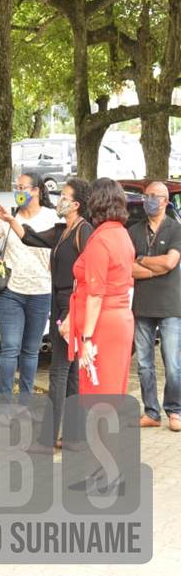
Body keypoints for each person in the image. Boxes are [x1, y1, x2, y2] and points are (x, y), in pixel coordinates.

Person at [14, 178, 93, 451]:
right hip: (59, 301)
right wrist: (10, 220)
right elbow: (31, 238)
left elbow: (88, 275)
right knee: (69, 373)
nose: (60, 200)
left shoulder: (84, 231)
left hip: (71, 303)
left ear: (76, 204)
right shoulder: (63, 230)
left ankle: (48, 438)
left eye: (65, 196)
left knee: (59, 371)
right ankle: (73, 436)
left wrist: (73, 313)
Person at [61, 179, 135, 397]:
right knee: (112, 390)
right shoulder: (122, 234)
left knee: (97, 391)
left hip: (102, 322)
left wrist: (87, 338)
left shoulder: (101, 239)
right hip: (120, 319)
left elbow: (96, 294)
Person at [0, 174, 55, 396]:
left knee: (31, 350)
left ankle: (26, 400)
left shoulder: (51, 217)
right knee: (9, 348)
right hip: (11, 292)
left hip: (40, 292)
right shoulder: (9, 216)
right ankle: (4, 402)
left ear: (36, 190)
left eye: (23, 187)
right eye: (16, 187)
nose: (18, 192)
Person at [128, 181, 181, 430]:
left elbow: (171, 263)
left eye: (153, 196)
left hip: (171, 305)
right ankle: (151, 412)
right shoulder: (133, 231)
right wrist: (153, 270)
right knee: (144, 364)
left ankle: (174, 410)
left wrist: (142, 259)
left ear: (165, 200)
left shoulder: (175, 229)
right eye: (145, 195)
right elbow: (128, 267)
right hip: (143, 305)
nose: (148, 200)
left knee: (173, 364)